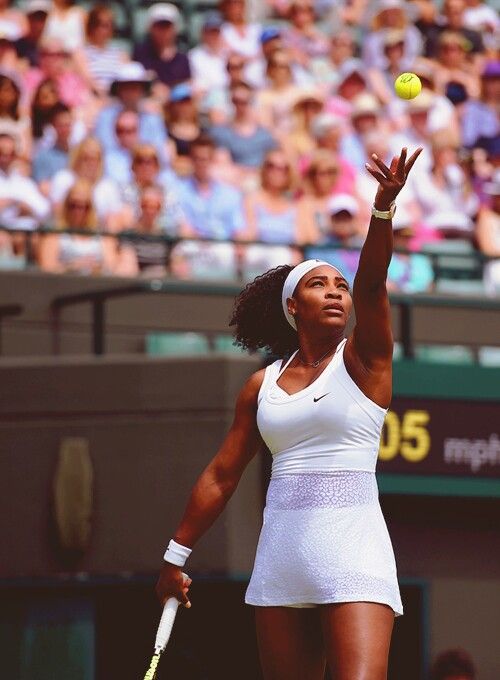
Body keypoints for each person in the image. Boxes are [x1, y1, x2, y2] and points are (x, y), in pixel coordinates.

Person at [156, 146, 422, 680]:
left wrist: (383, 210)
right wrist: (174, 556)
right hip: (282, 559)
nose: (336, 293)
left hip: (355, 557)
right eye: (319, 284)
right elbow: (222, 474)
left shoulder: (365, 360)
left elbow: (372, 283)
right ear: (291, 307)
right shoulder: (262, 385)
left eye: (340, 287)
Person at [38, 178, 117, 275]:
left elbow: (112, 268)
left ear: (91, 209)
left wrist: (96, 268)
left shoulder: (103, 238)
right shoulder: (55, 236)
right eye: (73, 205)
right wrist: (73, 267)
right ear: (66, 206)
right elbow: (47, 270)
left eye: (84, 206)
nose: (78, 211)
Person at [93, 61, 168, 159]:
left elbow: (159, 152)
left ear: (142, 90)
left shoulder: (153, 119)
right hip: (112, 169)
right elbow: (101, 149)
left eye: (135, 87)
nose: (130, 93)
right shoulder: (105, 117)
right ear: (118, 90)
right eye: (126, 88)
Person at [49, 136, 123, 229]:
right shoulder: (64, 179)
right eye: (86, 158)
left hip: (98, 236)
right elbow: (57, 213)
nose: (91, 163)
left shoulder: (108, 187)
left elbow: (115, 219)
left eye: (95, 158)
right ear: (77, 157)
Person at [75, 4, 129, 97]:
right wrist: (104, 95)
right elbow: (88, 80)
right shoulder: (81, 52)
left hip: (118, 98)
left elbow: (126, 79)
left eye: (109, 25)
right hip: (94, 97)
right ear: (91, 27)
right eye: (101, 25)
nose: (105, 30)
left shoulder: (121, 54)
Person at [133, 3, 190, 88]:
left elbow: (188, 85)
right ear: (150, 28)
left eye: (167, 27)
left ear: (175, 29)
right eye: (159, 26)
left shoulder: (183, 59)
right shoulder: (140, 55)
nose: (163, 32)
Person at [0, 132, 49, 231]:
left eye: (11, 153)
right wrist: (12, 202)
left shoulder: (23, 181)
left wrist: (28, 209)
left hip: (27, 234)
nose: (6, 158)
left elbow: (44, 210)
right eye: (1, 153)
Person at [32, 102, 72, 187]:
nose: (65, 130)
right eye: (61, 126)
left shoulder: (77, 153)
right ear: (53, 127)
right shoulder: (43, 155)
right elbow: (43, 186)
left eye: (67, 125)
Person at [15, 0, 50, 68]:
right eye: (35, 17)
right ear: (28, 18)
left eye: (42, 17)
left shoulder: (52, 47)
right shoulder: (18, 45)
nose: (38, 22)